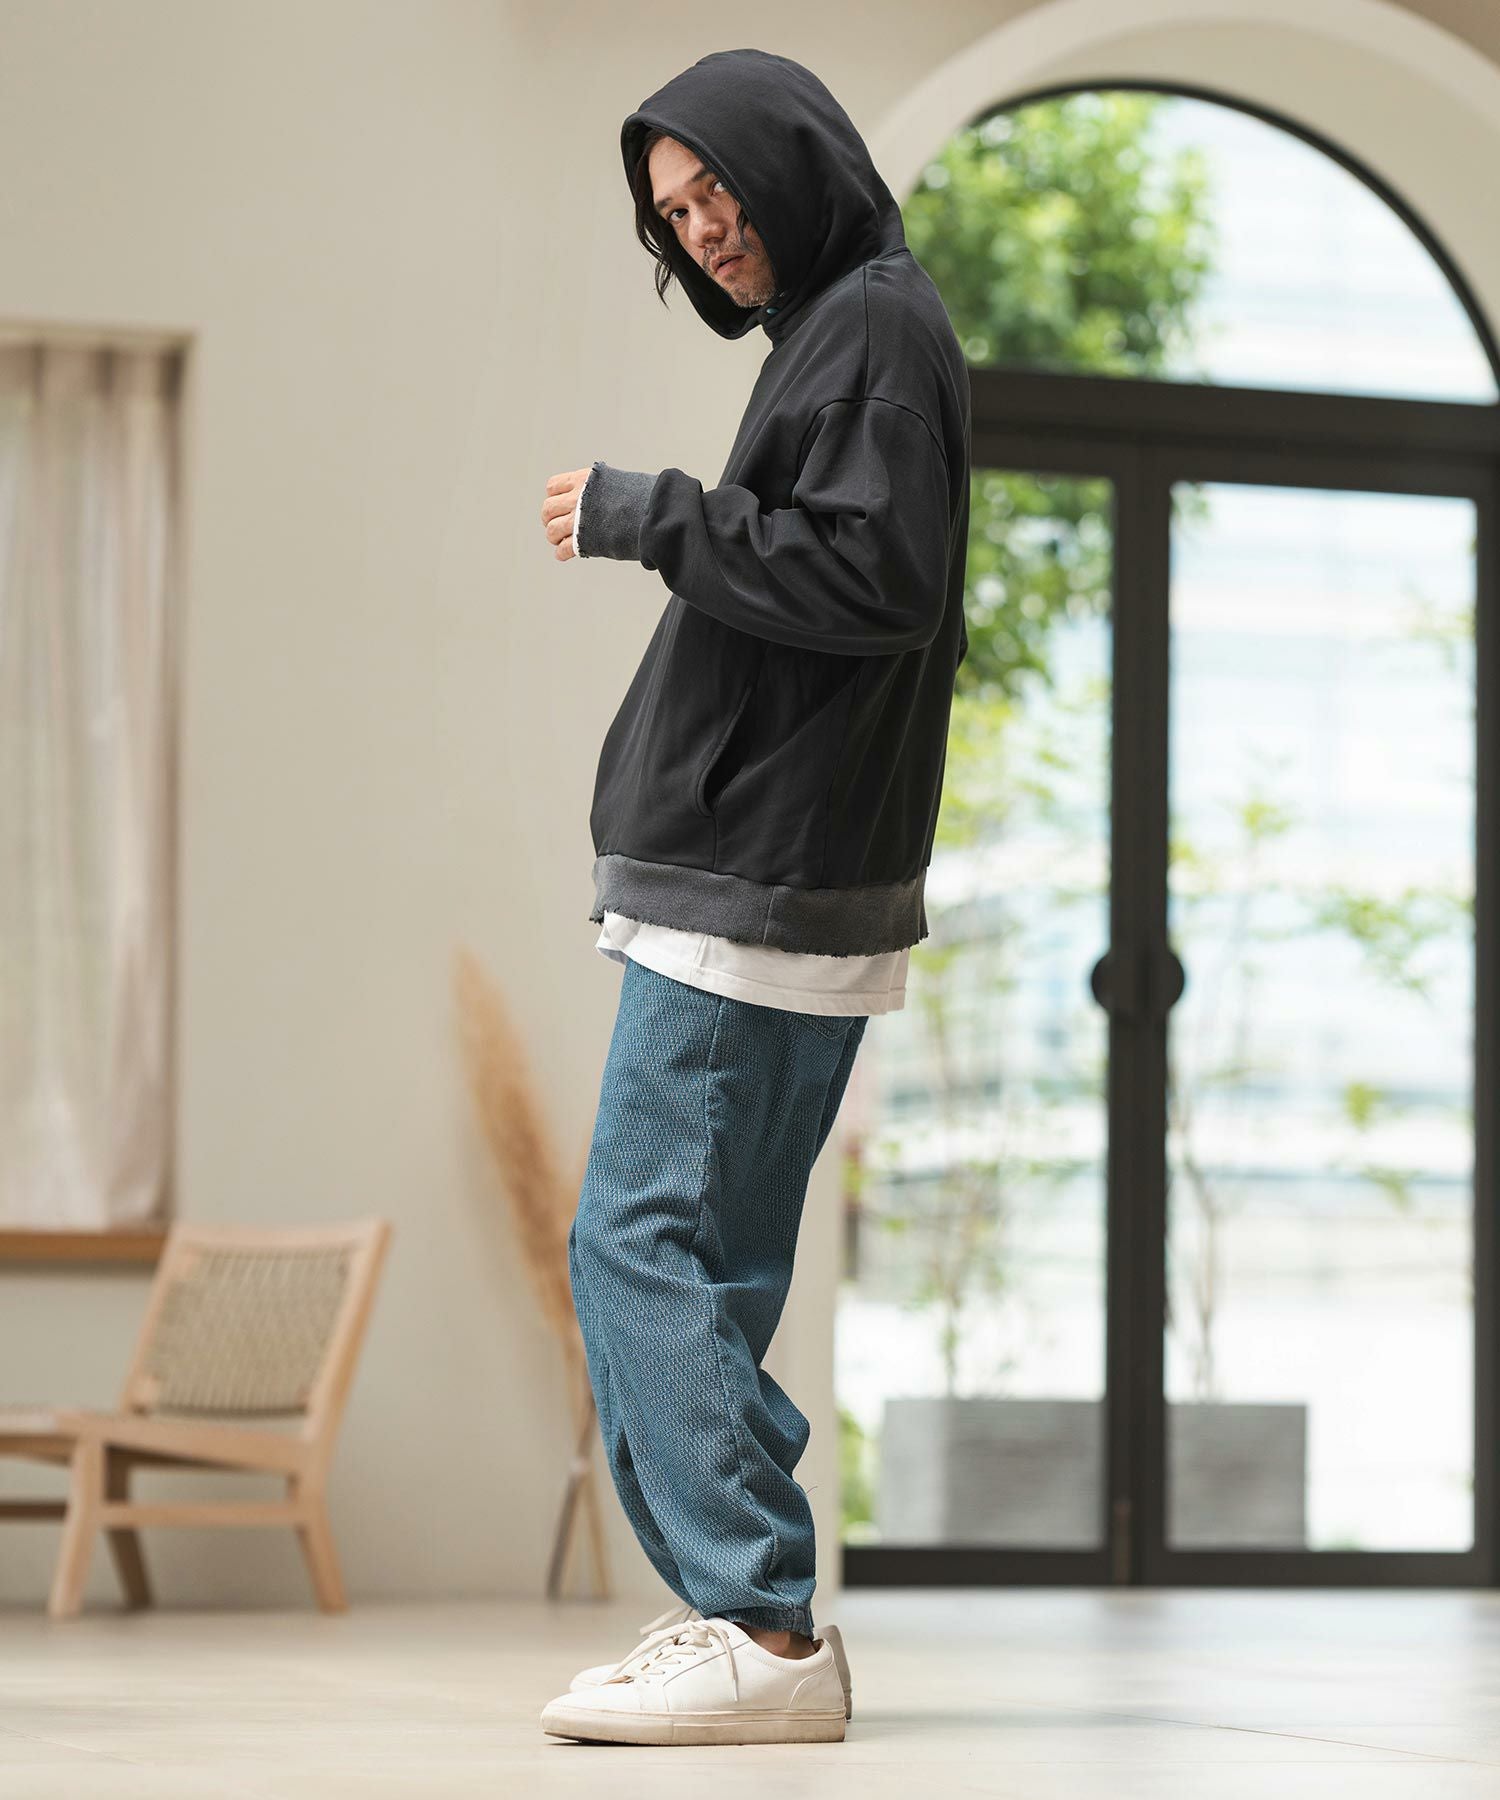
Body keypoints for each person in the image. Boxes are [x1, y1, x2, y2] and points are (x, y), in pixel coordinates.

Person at [536, 46, 971, 1748]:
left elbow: (877, 574)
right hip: (765, 875)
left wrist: (652, 514)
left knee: (638, 1240)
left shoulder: (870, 327)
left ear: (795, 161)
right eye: (675, 213)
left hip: (760, 883)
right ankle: (741, 1610)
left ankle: (762, 1627)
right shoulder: (842, 331)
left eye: (718, 188)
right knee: (691, 1260)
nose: (704, 229)